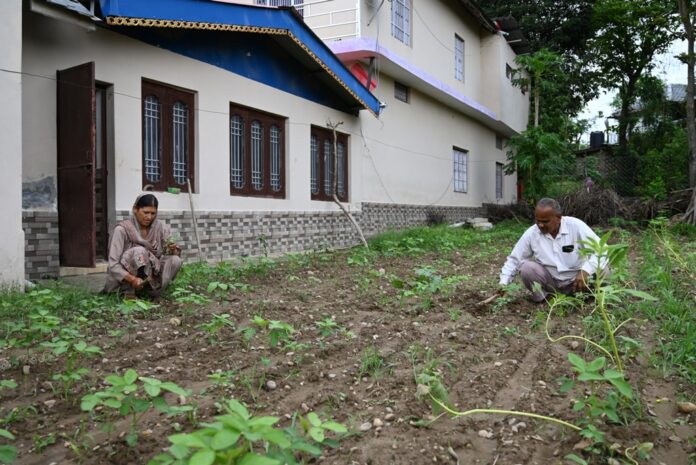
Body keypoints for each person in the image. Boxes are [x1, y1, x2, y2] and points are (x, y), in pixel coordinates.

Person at [498, 198, 606, 303]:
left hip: (579, 282)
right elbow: (514, 260)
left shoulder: (576, 226)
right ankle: (548, 299)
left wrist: (585, 272)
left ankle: (591, 297)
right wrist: (504, 283)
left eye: (545, 221)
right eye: (537, 220)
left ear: (558, 218)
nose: (540, 225)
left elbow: (602, 249)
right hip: (552, 284)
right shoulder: (532, 233)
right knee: (527, 268)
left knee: (603, 269)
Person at [103, 194, 183, 297]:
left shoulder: (160, 227)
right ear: (135, 209)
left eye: (153, 213)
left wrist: (172, 249)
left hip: (150, 277)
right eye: (145, 212)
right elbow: (113, 265)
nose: (149, 217)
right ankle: (127, 293)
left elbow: (172, 253)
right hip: (125, 282)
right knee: (139, 251)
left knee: (175, 260)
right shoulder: (122, 230)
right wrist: (133, 280)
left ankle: (152, 292)